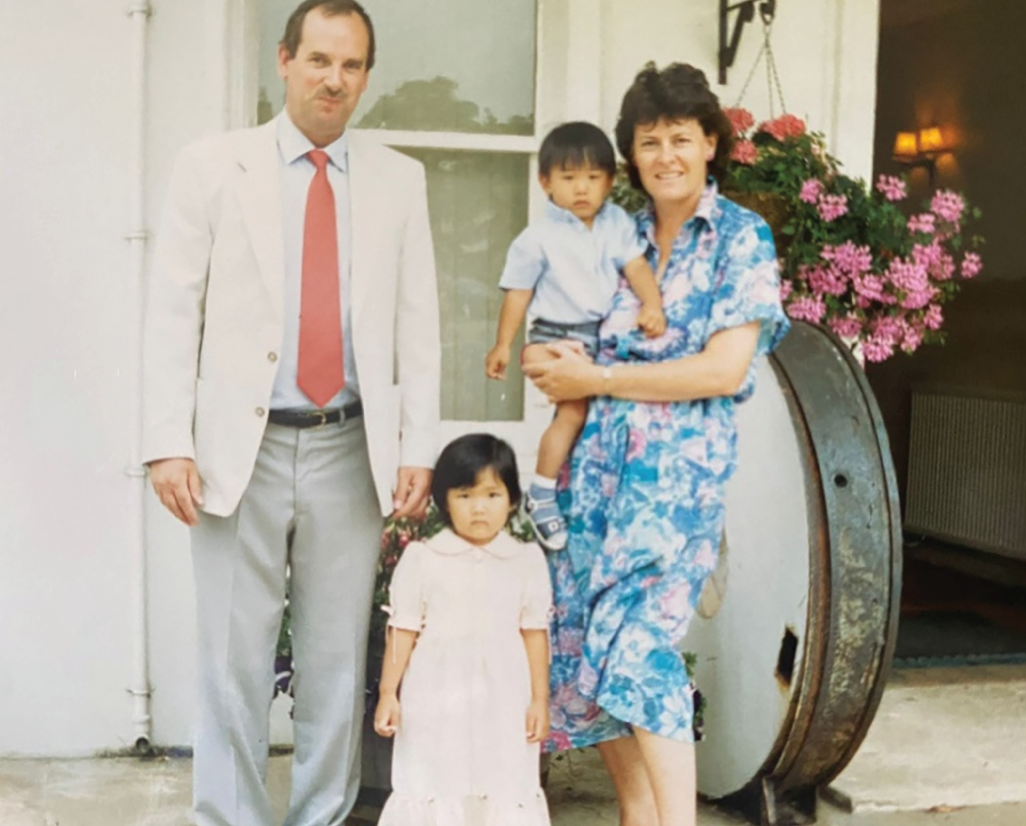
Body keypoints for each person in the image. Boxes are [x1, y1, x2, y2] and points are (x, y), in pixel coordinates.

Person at [141, 1, 440, 823]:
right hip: (241, 450)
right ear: (284, 61)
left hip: (351, 450)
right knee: (230, 663)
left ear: (367, 76)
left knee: (336, 665)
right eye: (319, 60)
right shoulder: (212, 166)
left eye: (351, 65)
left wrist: (417, 445)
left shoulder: (399, 180)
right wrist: (168, 441)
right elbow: (174, 310)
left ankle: (320, 817)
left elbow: (419, 323)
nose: (333, 79)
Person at [524, 62, 791, 826]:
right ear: (630, 155)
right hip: (589, 479)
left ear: (711, 143)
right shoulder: (609, 234)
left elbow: (722, 368)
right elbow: (554, 347)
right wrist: (554, 363)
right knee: (583, 645)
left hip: (673, 488)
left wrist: (600, 377)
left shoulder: (741, 237)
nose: (666, 154)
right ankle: (637, 812)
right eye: (649, 141)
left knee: (640, 646)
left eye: (682, 137)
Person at [485, 121, 666, 552]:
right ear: (546, 182)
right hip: (550, 337)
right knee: (573, 410)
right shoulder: (537, 239)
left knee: (588, 414)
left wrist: (652, 304)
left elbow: (636, 266)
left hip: (595, 340)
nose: (581, 189)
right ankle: (541, 492)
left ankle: (569, 490)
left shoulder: (617, 224)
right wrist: (503, 346)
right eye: (568, 178)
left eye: (592, 177)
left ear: (611, 180)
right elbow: (518, 294)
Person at [372, 434, 553, 826]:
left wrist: (539, 699)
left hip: (504, 699)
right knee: (434, 777)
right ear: (443, 500)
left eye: (492, 495)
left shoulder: (525, 560)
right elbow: (403, 630)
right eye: (465, 496)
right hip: (434, 697)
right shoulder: (423, 558)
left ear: (512, 499)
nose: (479, 509)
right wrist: (389, 693)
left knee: (502, 779)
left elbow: (534, 633)